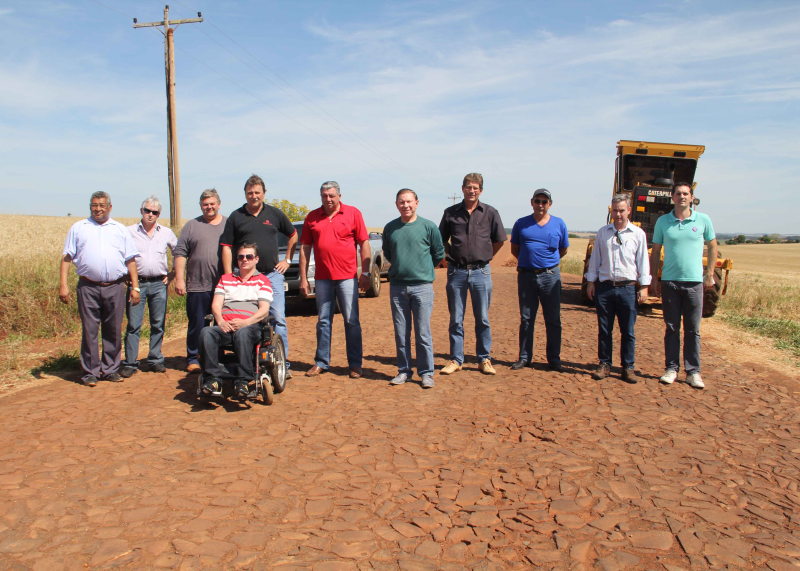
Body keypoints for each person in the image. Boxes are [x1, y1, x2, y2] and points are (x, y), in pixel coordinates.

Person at [220, 174, 297, 378]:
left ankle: (282, 364)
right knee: (244, 317)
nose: (253, 196)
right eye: (250, 193)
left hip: (272, 275)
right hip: (244, 278)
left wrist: (287, 260)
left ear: (264, 193)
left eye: (257, 192)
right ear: (245, 194)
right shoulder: (236, 216)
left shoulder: (274, 214)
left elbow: (293, 235)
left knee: (278, 318)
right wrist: (229, 275)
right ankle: (248, 362)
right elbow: (226, 247)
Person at [59, 191, 140, 386]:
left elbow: (130, 259)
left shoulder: (120, 230)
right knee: (90, 330)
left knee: (113, 329)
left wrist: (135, 287)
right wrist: (63, 285)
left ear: (109, 207)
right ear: (90, 207)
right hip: (88, 286)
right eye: (94, 205)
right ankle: (90, 372)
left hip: (115, 286)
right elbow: (67, 257)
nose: (98, 208)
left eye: (102, 205)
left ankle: (111, 369)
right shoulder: (79, 228)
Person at [299, 181, 371, 379]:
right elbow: (305, 249)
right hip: (322, 279)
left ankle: (355, 364)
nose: (328, 199)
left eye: (331, 195)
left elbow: (364, 243)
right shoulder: (312, 217)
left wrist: (365, 274)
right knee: (323, 321)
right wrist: (304, 279)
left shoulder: (353, 213)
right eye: (324, 196)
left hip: (347, 277)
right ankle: (322, 362)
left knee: (351, 321)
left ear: (339, 195)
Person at [650, 182, 717, 390]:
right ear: (672, 197)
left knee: (693, 330)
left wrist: (710, 274)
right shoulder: (663, 222)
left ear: (691, 197)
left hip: (694, 284)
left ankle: (693, 372)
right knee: (671, 328)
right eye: (678, 193)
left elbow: (713, 246)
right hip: (670, 282)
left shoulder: (703, 220)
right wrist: (654, 278)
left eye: (685, 193)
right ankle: (671, 369)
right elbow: (655, 250)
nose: (682, 197)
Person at [438, 173, 506, 376]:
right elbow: (441, 239)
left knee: (482, 318)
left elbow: (499, 240)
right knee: (456, 319)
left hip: (481, 273)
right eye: (468, 187)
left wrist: (485, 257)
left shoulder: (490, 213)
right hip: (456, 272)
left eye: (476, 188)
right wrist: (453, 255)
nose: (472, 190)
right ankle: (456, 360)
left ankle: (484, 359)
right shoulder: (450, 213)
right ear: (462, 188)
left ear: (481, 190)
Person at [383, 189, 445, 388]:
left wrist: (423, 270)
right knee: (401, 332)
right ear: (396, 204)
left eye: (409, 201)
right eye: (401, 202)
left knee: (423, 332)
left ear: (417, 203)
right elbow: (389, 254)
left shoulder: (428, 226)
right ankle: (404, 371)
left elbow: (438, 253)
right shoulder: (390, 228)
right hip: (398, 287)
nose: (406, 205)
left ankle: (426, 373)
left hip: (422, 287)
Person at [585, 194, 651, 383]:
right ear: (611, 211)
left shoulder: (638, 234)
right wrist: (591, 282)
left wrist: (644, 286)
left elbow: (643, 262)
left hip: (628, 289)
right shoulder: (603, 233)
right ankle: (604, 364)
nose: (618, 214)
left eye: (622, 210)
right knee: (604, 329)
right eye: (615, 210)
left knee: (628, 331)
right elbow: (595, 260)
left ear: (629, 210)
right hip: (605, 288)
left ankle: (628, 367)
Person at [199, 243, 273, 398]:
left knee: (243, 333)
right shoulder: (225, 279)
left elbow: (264, 309)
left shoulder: (263, 280)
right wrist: (219, 320)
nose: (244, 260)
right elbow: (216, 304)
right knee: (206, 332)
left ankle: (243, 381)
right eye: (241, 257)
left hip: (251, 326)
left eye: (249, 256)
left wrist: (246, 322)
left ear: (256, 259)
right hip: (226, 325)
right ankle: (213, 379)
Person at [510, 188, 570, 372]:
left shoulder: (559, 224)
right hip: (527, 276)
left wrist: (546, 265)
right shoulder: (521, 223)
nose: (541, 205)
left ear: (550, 204)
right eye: (537, 201)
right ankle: (525, 357)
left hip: (550, 277)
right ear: (532, 202)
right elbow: (515, 250)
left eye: (544, 201)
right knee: (527, 319)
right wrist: (530, 264)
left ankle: (554, 359)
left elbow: (563, 250)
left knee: (553, 319)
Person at [120, 196, 177, 378]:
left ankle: (155, 360)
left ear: (159, 214)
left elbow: (180, 253)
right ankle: (130, 363)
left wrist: (173, 275)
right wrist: (125, 276)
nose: (150, 214)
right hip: (137, 285)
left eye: (154, 212)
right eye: (147, 210)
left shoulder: (166, 233)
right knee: (133, 325)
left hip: (159, 283)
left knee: (158, 324)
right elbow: (119, 254)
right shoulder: (129, 232)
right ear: (141, 211)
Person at [173, 188, 228, 373]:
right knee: (197, 323)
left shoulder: (229, 224)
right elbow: (180, 253)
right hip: (197, 285)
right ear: (200, 206)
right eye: (205, 204)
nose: (209, 207)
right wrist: (179, 279)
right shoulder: (191, 226)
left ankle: (219, 356)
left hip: (223, 286)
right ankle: (194, 358)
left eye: (212, 203)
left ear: (219, 204)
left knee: (223, 323)